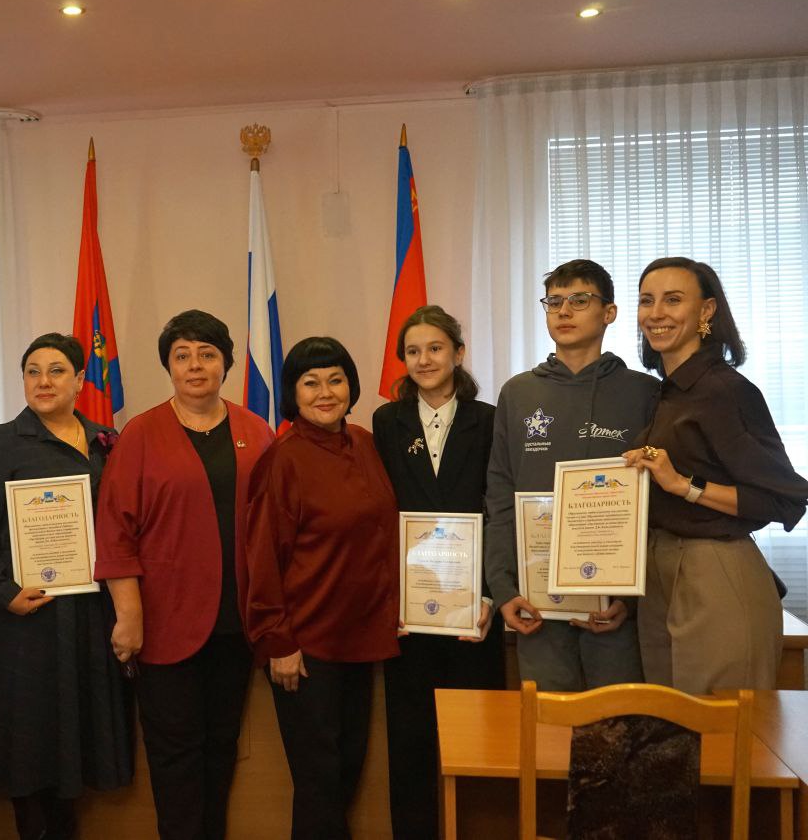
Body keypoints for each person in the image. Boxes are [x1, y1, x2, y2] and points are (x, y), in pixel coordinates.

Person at [95, 309, 274, 840]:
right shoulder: (142, 434)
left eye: (207, 354)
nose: (195, 365)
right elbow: (115, 533)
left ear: (226, 363)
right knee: (174, 757)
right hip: (165, 625)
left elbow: (273, 525)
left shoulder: (255, 430)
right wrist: (128, 615)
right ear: (168, 367)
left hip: (235, 624)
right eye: (182, 356)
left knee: (221, 750)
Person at [0, 333, 133, 839]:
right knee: (29, 735)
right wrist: (2, 590)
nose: (43, 381)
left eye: (56, 370)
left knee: (75, 728)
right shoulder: (2, 441)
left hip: (88, 613)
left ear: (80, 380)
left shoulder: (107, 440)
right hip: (26, 616)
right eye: (33, 371)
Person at [623, 257, 808, 694]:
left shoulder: (724, 390)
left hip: (714, 565)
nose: (656, 313)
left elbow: (785, 498)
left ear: (707, 311)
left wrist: (684, 487)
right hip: (658, 569)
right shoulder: (665, 391)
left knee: (719, 739)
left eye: (673, 300)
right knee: (672, 734)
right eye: (647, 301)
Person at [245, 336, 399, 839]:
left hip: (362, 637)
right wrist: (278, 642)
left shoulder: (364, 442)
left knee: (347, 773)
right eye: (310, 383)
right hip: (306, 648)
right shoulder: (283, 459)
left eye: (335, 379)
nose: (325, 392)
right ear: (293, 394)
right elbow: (262, 557)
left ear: (350, 386)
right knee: (318, 784)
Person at [484, 259, 659, 691]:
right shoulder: (519, 393)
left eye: (580, 300)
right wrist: (503, 588)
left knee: (619, 734)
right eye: (554, 301)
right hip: (538, 603)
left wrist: (630, 601)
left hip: (615, 608)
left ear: (609, 312)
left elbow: (657, 505)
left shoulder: (644, 392)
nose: (564, 311)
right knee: (549, 736)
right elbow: (501, 495)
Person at [372, 305, 504, 840]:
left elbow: (501, 511)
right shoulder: (386, 422)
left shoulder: (491, 420)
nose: (423, 360)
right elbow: (380, 515)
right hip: (410, 610)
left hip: (474, 609)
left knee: (477, 742)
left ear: (457, 353)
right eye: (413, 351)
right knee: (410, 743)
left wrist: (492, 595)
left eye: (434, 348)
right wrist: (390, 600)